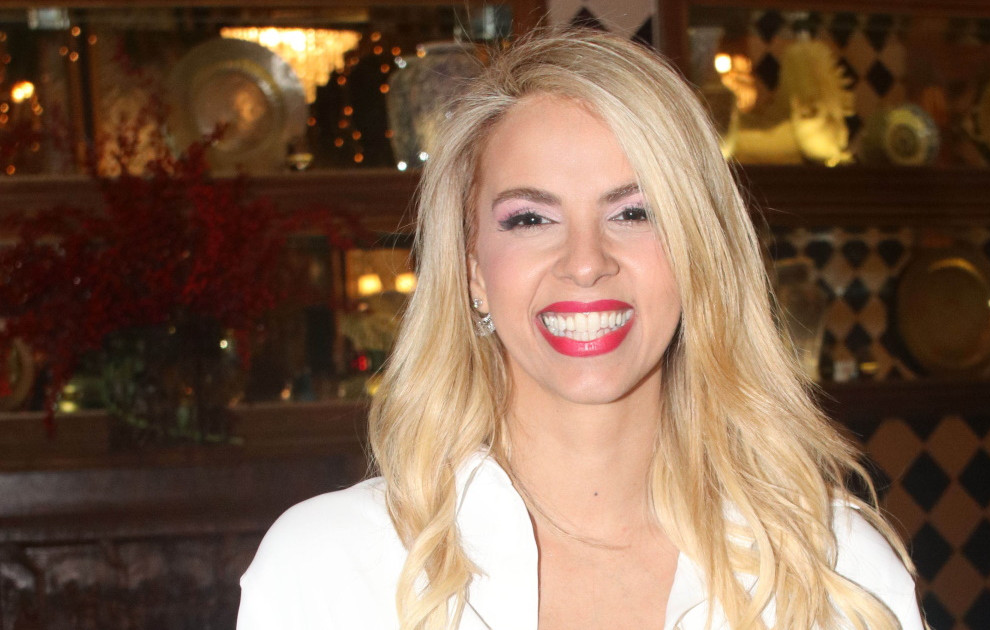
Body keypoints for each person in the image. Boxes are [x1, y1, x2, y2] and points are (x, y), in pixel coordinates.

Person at [237, 29, 925, 630]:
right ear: (473, 269)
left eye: (634, 212)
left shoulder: (831, 564)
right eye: (531, 219)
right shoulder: (329, 567)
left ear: (698, 255)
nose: (586, 262)